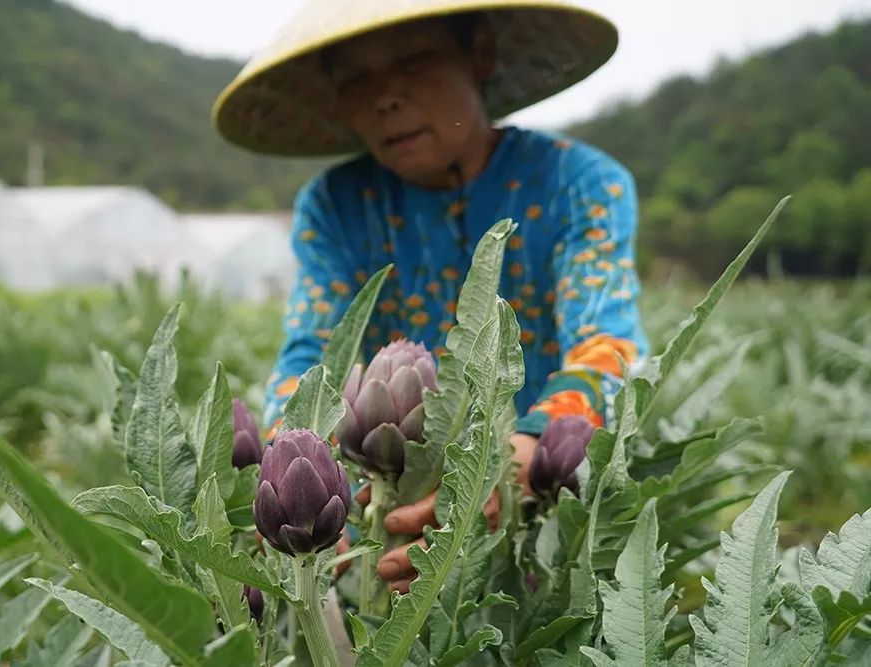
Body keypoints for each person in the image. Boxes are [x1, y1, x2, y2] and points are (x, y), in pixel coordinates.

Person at [213, 0, 649, 594]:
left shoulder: (580, 185)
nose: (385, 98)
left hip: (551, 497)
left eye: (413, 61)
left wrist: (522, 457)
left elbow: (608, 345)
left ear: (481, 53)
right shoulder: (337, 206)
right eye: (355, 76)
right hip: (382, 510)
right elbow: (311, 358)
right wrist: (297, 463)